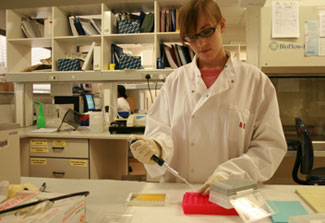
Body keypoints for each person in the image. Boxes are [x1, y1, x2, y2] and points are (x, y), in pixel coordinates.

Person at [129, 0, 287, 195]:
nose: (200, 43)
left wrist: (228, 175)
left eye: (206, 32)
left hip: (233, 193)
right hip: (180, 193)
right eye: (192, 37)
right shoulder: (174, 81)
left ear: (221, 25)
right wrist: (157, 147)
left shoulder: (255, 82)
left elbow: (269, 147)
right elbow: (161, 129)